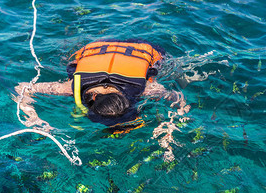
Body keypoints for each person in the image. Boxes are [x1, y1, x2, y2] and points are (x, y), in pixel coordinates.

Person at [14, 39, 189, 134]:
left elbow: (22, 88)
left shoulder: (146, 90)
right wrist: (33, 119)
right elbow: (22, 87)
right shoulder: (68, 88)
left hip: (117, 47)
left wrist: (173, 121)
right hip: (130, 49)